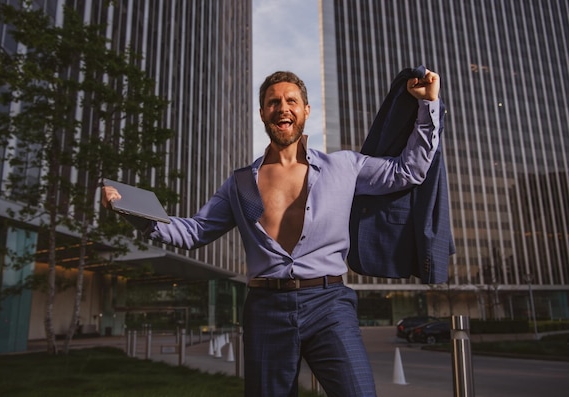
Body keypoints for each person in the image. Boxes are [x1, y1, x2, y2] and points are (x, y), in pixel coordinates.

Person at [102, 69, 440, 397]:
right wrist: (138, 215)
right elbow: (196, 231)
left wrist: (427, 106)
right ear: (263, 113)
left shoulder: (345, 167)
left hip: (329, 304)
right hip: (266, 308)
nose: (283, 107)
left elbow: (408, 171)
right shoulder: (241, 183)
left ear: (305, 110)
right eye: (273, 102)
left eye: (291, 100)